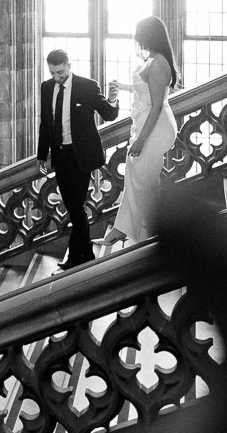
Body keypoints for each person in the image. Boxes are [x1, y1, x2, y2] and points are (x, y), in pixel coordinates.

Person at [96, 15, 180, 246]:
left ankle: (148, 236)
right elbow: (146, 89)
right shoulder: (154, 60)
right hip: (146, 125)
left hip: (154, 128)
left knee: (145, 181)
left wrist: (142, 140)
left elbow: (155, 106)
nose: (137, 38)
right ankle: (123, 229)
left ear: (149, 35)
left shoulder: (159, 62)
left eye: (139, 34)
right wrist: (123, 87)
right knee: (134, 176)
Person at [36, 49, 120, 271]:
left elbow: (109, 115)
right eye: (53, 73)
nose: (57, 77)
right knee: (74, 206)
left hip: (82, 156)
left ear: (69, 66)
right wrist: (41, 155)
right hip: (60, 155)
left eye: (60, 72)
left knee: (76, 207)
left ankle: (77, 255)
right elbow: (45, 123)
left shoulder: (87, 86)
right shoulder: (46, 88)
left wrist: (113, 99)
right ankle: (86, 254)